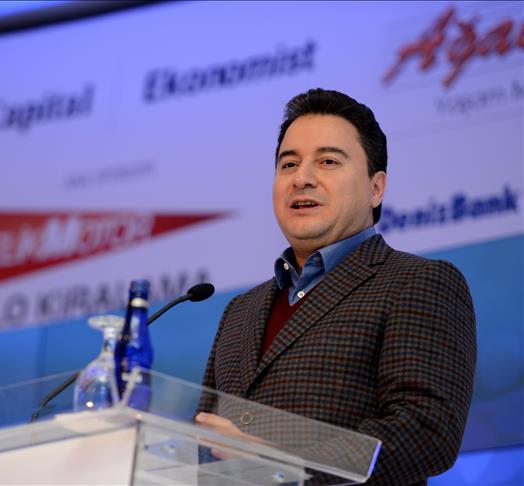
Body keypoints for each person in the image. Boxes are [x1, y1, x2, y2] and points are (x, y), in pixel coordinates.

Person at [196, 88, 477, 485]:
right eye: (288, 164)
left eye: (328, 161)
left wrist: (283, 467)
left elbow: (425, 432)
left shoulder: (417, 282)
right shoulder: (240, 311)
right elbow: (204, 437)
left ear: (376, 188)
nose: (302, 178)